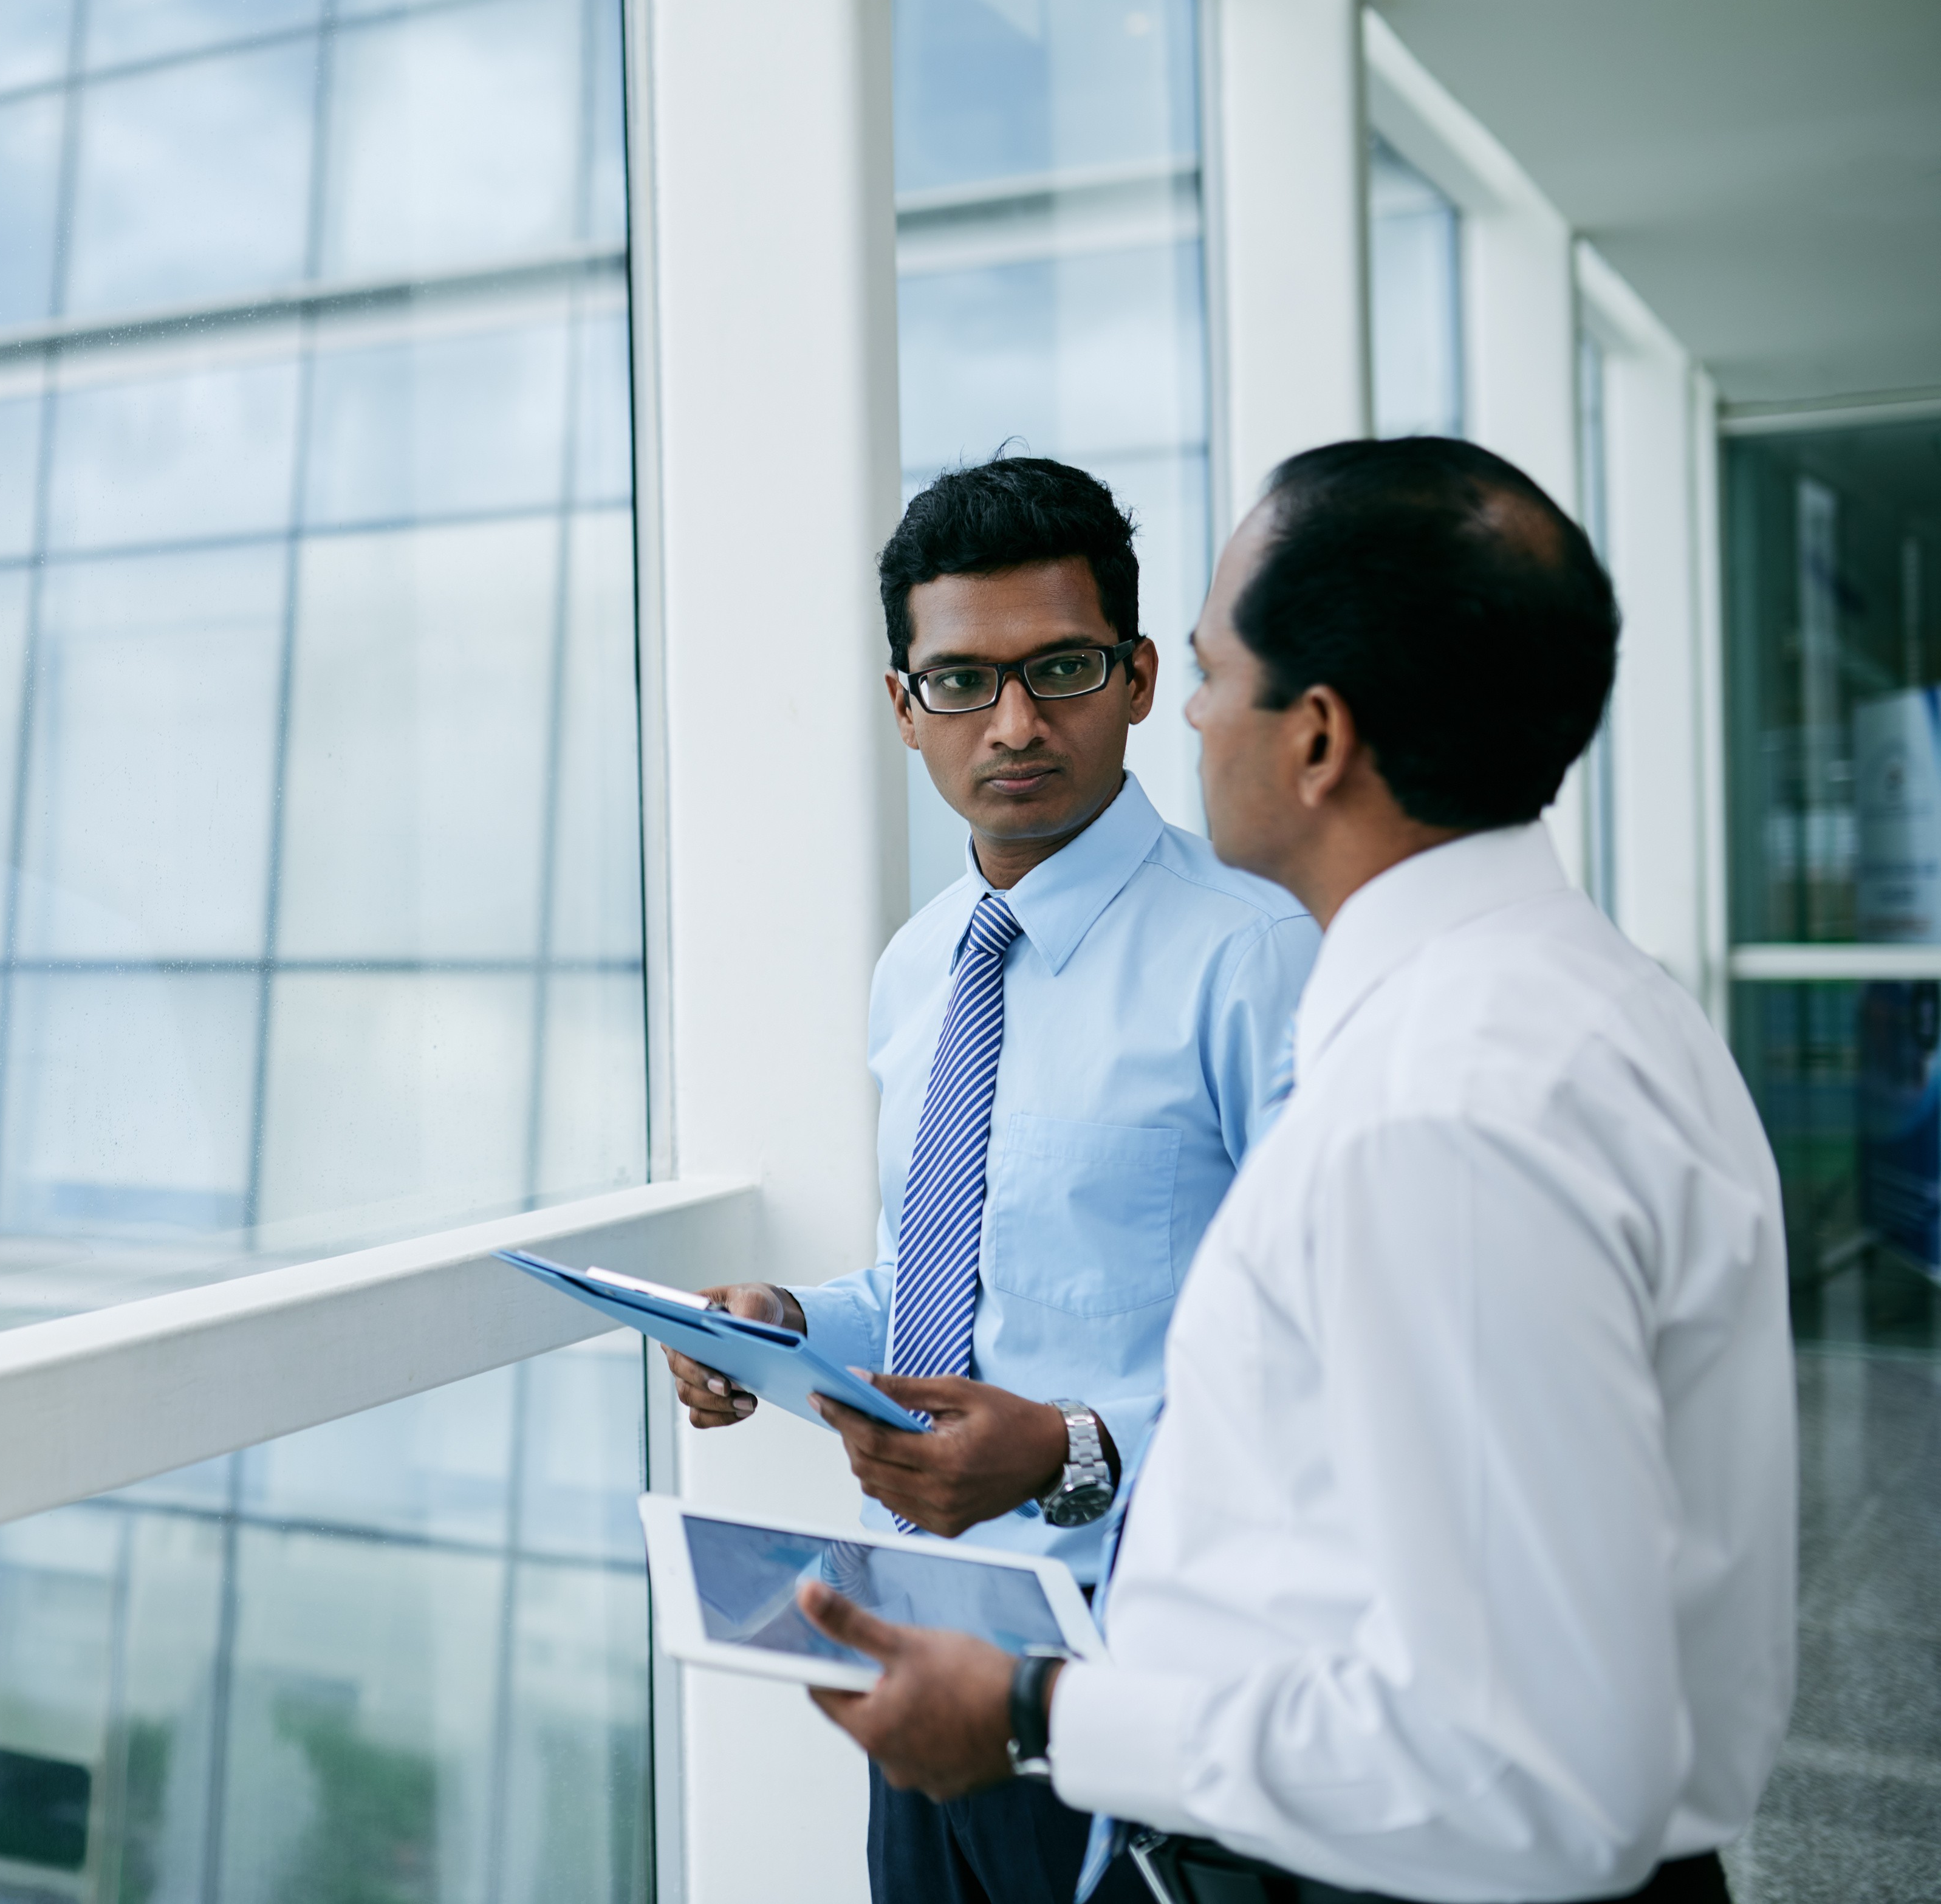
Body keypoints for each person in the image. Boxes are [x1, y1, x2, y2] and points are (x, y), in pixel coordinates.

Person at [798, 437, 1796, 1904]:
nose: (1190, 715)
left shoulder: (1439, 1108)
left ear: (1315, 737)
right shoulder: (1560, 1008)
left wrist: (1036, 1715)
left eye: (1203, 670)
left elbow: (1537, 1765)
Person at [667, 456, 1318, 1904]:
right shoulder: (922, 963)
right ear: (903, 707)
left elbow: (1332, 1362)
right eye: (961, 681)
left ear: (1141, 677)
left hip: (1139, 1666)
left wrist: (1075, 1448)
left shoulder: (1253, 954)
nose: (1015, 725)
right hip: (923, 1645)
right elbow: (938, 1282)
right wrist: (784, 1322)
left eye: (1062, 669)